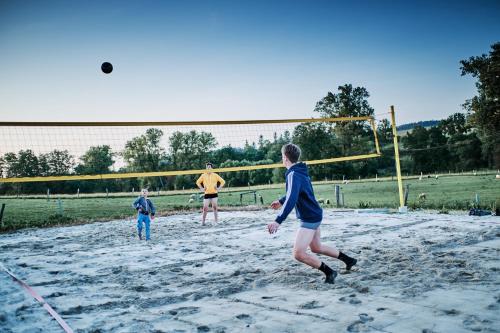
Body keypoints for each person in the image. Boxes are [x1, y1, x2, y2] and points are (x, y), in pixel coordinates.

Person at [268, 143, 357, 284]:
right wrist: (280, 200)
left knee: (298, 253)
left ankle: (330, 272)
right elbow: (297, 192)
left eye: (282, 156)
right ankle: (349, 260)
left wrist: (278, 220)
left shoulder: (293, 174)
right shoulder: (300, 171)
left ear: (285, 158)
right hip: (315, 214)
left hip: (309, 217)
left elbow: (292, 198)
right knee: (316, 248)